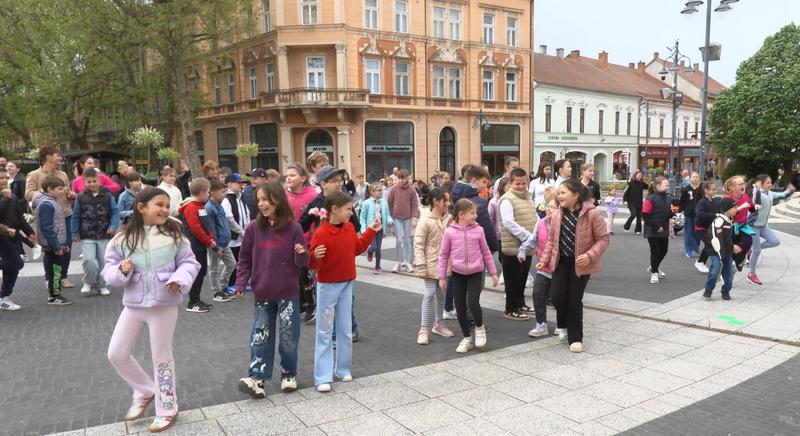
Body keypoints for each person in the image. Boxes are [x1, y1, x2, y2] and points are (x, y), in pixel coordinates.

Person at [103, 188, 200, 433]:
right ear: (141, 207)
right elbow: (109, 271)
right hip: (133, 305)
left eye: (167, 205)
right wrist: (121, 271)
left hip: (164, 306)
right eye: (159, 204)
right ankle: (146, 390)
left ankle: (167, 408)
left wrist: (180, 278)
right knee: (116, 353)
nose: (165, 209)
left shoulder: (175, 235)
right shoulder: (122, 239)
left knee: (162, 358)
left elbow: (190, 262)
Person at [235, 183, 309, 398]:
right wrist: (241, 283)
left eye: (266, 199)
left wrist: (301, 252)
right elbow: (244, 259)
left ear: (278, 199)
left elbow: (303, 262)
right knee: (260, 337)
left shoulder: (294, 228)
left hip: (288, 293)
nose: (262, 204)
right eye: (259, 200)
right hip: (263, 293)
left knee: (288, 338)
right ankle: (257, 378)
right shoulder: (253, 228)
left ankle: (289, 374)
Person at [309, 191, 380, 392]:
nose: (351, 213)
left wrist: (371, 231)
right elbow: (312, 262)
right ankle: (323, 376)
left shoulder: (348, 228)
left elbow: (356, 248)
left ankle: (343, 369)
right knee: (324, 331)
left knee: (345, 328)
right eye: (348, 209)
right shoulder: (322, 233)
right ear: (334, 209)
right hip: (328, 286)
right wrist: (313, 255)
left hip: (347, 284)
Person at [536, 179, 609, 353]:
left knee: (574, 299)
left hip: (581, 264)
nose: (559, 196)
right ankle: (562, 325)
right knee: (556, 296)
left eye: (563, 193)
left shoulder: (592, 214)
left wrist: (589, 255)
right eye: (559, 193)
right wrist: (544, 259)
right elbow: (551, 242)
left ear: (575, 195)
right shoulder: (556, 215)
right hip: (560, 262)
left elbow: (603, 239)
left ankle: (576, 338)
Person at [438, 199, 499, 354]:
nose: (476, 216)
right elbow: (443, 255)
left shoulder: (479, 230)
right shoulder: (450, 232)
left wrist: (493, 273)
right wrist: (442, 277)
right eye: (472, 213)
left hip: (476, 273)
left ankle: (479, 327)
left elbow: (486, 253)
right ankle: (466, 338)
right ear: (461, 215)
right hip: (457, 274)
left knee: (472, 302)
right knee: (459, 307)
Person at [25, 146, 76, 289]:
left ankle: (63, 277)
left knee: (66, 246)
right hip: (47, 216)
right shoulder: (34, 174)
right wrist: (47, 190)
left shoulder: (63, 174)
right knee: (50, 248)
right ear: (48, 157)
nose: (60, 158)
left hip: (65, 214)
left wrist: (69, 194)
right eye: (57, 155)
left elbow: (66, 192)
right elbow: (28, 194)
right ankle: (50, 279)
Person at [414, 188, 455, 345]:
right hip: (430, 264)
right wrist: (421, 266)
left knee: (441, 294)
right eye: (446, 200)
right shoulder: (425, 220)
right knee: (430, 293)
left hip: (445, 265)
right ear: (436, 201)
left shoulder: (449, 219)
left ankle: (438, 324)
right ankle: (423, 328)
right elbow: (418, 244)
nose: (449, 203)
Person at [71, 168, 120, 296]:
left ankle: (102, 284)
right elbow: (75, 215)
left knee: (103, 261)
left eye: (94, 181)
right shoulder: (81, 197)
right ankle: (88, 281)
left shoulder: (108, 196)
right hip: (87, 234)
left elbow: (115, 212)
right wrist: (74, 232)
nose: (92, 184)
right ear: (84, 182)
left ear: (99, 181)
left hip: (104, 233)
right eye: (88, 182)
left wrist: (114, 225)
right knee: (89, 260)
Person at [498, 168, 537, 321]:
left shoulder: (528, 197)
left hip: (527, 246)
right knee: (512, 279)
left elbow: (533, 217)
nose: (521, 186)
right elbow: (508, 222)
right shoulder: (507, 199)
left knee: (522, 277)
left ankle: (520, 303)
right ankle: (511, 308)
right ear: (511, 183)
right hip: (513, 246)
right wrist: (527, 236)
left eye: (524, 183)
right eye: (517, 184)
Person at [519, 196, 559, 337]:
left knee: (557, 297)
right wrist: (523, 250)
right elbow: (533, 239)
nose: (549, 209)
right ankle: (541, 324)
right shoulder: (541, 223)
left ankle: (562, 324)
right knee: (537, 294)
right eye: (548, 206)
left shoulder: (564, 224)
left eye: (553, 207)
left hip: (559, 268)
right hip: (543, 266)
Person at [747, 174, 796, 285]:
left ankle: (752, 248)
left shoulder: (770, 194)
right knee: (757, 251)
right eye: (768, 183)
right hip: (753, 226)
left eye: (771, 182)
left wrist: (789, 190)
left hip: (763, 226)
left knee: (775, 242)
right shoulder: (756, 194)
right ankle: (752, 274)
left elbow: (782, 194)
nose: (770, 184)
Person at [285, 164, 318, 323]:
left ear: (303, 178)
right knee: (295, 275)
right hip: (290, 240)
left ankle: (312, 305)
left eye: (293, 175)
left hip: (309, 241)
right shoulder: (284, 195)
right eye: (287, 175)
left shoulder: (313, 194)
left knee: (304, 274)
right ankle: (300, 303)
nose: (288, 178)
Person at [32, 176, 73, 305]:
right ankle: (54, 296)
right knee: (55, 271)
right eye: (60, 189)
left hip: (56, 243)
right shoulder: (46, 204)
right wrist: (56, 246)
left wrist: (62, 244)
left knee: (55, 270)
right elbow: (47, 227)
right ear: (50, 189)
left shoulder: (51, 202)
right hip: (52, 244)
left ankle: (55, 294)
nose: (63, 191)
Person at [0, 168, 37, 311]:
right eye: (1, 178)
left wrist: (29, 232)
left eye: (6, 178)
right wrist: (6, 198)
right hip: (1, 236)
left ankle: (3, 297)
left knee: (15, 265)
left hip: (13, 236)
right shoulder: (8, 196)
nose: (4, 181)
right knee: (16, 262)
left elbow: (19, 216)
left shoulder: (11, 195)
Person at [178, 178, 216, 313]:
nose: (209, 194)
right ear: (201, 192)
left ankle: (196, 299)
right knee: (197, 273)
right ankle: (193, 302)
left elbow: (206, 225)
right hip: (194, 246)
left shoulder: (199, 206)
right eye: (207, 192)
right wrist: (208, 241)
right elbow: (196, 229)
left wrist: (210, 238)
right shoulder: (191, 207)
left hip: (201, 245)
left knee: (202, 271)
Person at [450, 165, 499, 254]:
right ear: (474, 181)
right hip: (476, 249)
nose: (485, 186)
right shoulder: (478, 203)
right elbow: (486, 228)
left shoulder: (453, 197)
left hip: (456, 248)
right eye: (484, 182)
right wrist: (494, 246)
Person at [205, 178, 236, 304]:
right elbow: (210, 229)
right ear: (212, 193)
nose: (225, 194)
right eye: (222, 192)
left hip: (224, 242)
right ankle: (216, 291)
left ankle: (223, 286)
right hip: (216, 244)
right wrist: (214, 246)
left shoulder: (219, 204)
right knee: (214, 268)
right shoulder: (209, 208)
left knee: (232, 264)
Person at [703, 198, 741, 300]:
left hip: (726, 250)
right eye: (734, 207)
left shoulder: (729, 220)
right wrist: (730, 248)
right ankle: (708, 290)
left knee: (729, 271)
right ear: (727, 210)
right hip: (715, 250)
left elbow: (728, 238)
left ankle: (725, 291)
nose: (736, 209)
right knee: (715, 268)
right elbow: (716, 238)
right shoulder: (719, 220)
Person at [221, 173, 250, 290]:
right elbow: (229, 219)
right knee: (232, 263)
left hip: (242, 236)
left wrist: (246, 230)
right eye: (238, 183)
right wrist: (241, 232)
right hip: (233, 237)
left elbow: (246, 213)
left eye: (241, 183)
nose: (240, 185)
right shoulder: (226, 200)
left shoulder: (240, 198)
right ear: (229, 184)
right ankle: (227, 285)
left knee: (240, 261)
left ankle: (237, 282)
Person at [387, 169, 420, 272]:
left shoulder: (412, 190)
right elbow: (389, 203)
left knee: (407, 240)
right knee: (399, 240)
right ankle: (397, 262)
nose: (401, 180)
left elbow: (414, 205)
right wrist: (391, 217)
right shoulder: (393, 189)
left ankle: (407, 262)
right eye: (399, 178)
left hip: (408, 217)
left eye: (403, 178)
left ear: (407, 178)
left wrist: (414, 218)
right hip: (396, 217)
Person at [642, 177, 673, 284]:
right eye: (666, 185)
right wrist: (656, 226)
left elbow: (667, 211)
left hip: (664, 228)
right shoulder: (650, 198)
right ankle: (654, 273)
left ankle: (653, 267)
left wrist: (673, 216)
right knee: (655, 251)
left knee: (664, 250)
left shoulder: (668, 198)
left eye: (668, 185)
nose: (668, 187)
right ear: (658, 186)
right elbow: (645, 215)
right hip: (652, 229)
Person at [360, 182, 392, 274]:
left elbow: (387, 214)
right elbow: (362, 217)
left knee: (378, 248)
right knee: (373, 247)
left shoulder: (384, 202)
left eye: (381, 190)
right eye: (379, 190)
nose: (381, 192)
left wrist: (390, 221)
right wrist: (363, 229)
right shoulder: (366, 203)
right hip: (371, 229)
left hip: (380, 228)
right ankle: (369, 252)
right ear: (372, 192)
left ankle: (377, 267)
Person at [724, 175, 755, 271]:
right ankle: (725, 271)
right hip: (731, 227)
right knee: (731, 252)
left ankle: (739, 261)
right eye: (740, 184)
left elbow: (751, 207)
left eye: (743, 183)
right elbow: (728, 214)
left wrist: (755, 207)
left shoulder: (745, 197)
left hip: (743, 226)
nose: (743, 185)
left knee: (748, 241)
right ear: (731, 187)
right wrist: (740, 207)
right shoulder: (728, 199)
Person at [693, 181, 719, 274]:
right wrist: (715, 215)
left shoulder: (714, 201)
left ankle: (700, 262)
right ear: (706, 190)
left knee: (709, 244)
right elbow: (700, 214)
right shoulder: (702, 202)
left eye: (715, 190)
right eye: (713, 190)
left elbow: (719, 211)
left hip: (709, 228)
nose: (715, 191)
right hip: (700, 228)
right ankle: (700, 262)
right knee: (710, 244)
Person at [679, 172, 703, 258]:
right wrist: (680, 212)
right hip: (688, 213)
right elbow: (682, 202)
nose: (695, 178)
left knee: (697, 232)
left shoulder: (701, 189)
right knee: (688, 232)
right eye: (693, 177)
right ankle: (689, 250)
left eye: (697, 177)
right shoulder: (686, 189)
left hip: (699, 214)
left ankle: (696, 246)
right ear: (690, 179)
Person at [622, 170, 648, 235]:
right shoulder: (630, 183)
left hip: (639, 202)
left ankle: (638, 230)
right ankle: (626, 226)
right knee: (633, 214)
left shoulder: (642, 183)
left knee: (639, 217)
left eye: (640, 176)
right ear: (635, 175)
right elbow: (625, 193)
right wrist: (624, 200)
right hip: (631, 202)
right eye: (638, 175)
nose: (639, 177)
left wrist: (654, 184)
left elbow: (649, 187)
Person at [488, 176, 511, 243]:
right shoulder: (494, 202)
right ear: (502, 187)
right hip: (499, 234)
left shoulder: (514, 200)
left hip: (512, 234)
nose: (510, 189)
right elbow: (491, 218)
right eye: (508, 187)